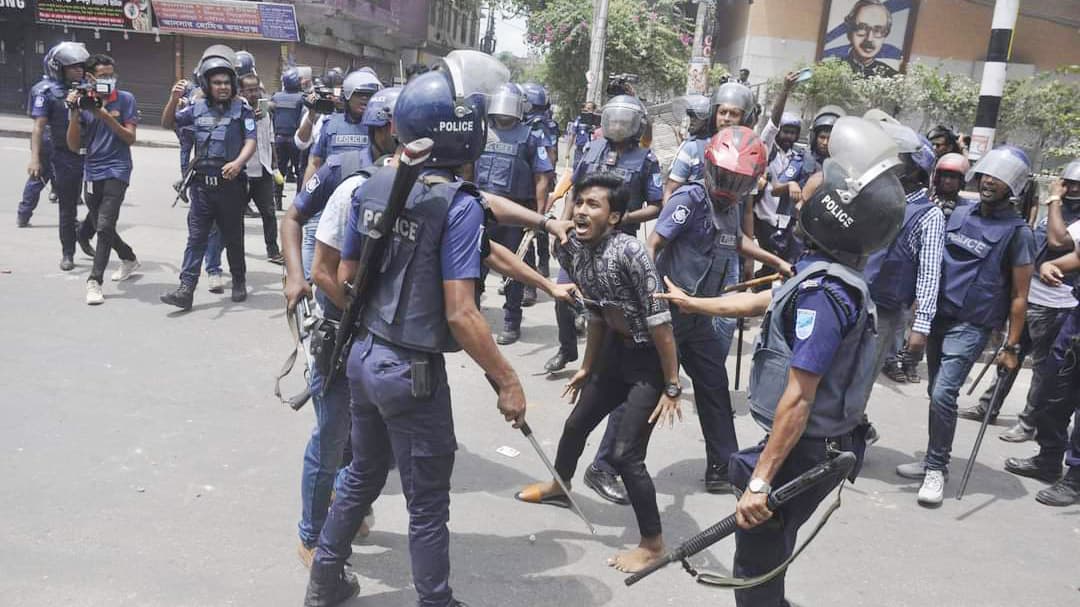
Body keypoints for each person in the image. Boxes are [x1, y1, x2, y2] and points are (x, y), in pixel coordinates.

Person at [302, 60, 529, 607]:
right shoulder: (459, 205)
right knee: (427, 502)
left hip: (363, 356)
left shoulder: (375, 183)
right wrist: (507, 379)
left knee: (361, 474)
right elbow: (462, 313)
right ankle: (435, 600)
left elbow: (347, 278)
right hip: (412, 374)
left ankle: (324, 583)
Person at [655, 116, 905, 606]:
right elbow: (771, 298)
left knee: (755, 576)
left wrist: (761, 482)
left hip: (803, 453)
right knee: (768, 570)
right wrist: (692, 303)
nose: (799, 192)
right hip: (812, 447)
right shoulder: (827, 272)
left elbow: (798, 396)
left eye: (812, 189)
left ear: (835, 211)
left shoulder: (826, 295)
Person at [516, 173, 682, 574]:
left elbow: (661, 324)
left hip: (648, 360)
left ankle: (653, 543)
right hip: (612, 353)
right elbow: (595, 312)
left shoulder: (631, 251)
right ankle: (561, 485)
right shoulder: (571, 249)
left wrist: (672, 386)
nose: (582, 212)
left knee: (626, 456)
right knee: (576, 425)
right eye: (580, 203)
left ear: (615, 216)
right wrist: (588, 367)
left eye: (594, 205)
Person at [650, 126, 792, 492]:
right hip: (668, 314)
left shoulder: (731, 208)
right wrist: (649, 295)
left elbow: (739, 241)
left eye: (738, 181)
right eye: (725, 177)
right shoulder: (690, 199)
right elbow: (653, 245)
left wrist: (775, 261)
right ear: (711, 168)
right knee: (649, 389)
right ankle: (608, 463)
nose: (729, 186)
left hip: (700, 316)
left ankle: (723, 467)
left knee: (714, 386)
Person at [896, 145, 1036, 506]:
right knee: (935, 394)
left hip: (972, 324)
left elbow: (1021, 295)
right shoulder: (956, 213)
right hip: (940, 316)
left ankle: (935, 469)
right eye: (987, 174)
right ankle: (931, 458)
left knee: (943, 393)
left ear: (1014, 186)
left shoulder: (1018, 233)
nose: (990, 181)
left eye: (1000, 178)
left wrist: (1012, 346)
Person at [568, 94, 664, 504]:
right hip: (586, 249)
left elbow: (656, 204)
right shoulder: (590, 149)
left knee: (630, 378)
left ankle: (605, 464)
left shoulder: (647, 160)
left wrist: (619, 220)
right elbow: (575, 193)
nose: (619, 126)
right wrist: (566, 223)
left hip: (621, 258)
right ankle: (566, 476)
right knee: (586, 326)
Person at [967, 160, 1080, 442]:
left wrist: (1053, 199)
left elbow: (1057, 242)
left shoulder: (1068, 216)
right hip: (1032, 294)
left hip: (1056, 303)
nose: (1072, 190)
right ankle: (989, 406)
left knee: (1042, 367)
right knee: (1011, 351)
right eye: (1069, 184)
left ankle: (1028, 422)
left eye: (1078, 186)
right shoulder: (1056, 210)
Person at [159, 45, 257, 310]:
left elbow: (251, 140)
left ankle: (238, 280)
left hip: (231, 186)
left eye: (227, 82)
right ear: (206, 83)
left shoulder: (242, 109)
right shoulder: (196, 107)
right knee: (196, 238)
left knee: (233, 237)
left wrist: (238, 163)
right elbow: (168, 124)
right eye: (217, 82)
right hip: (203, 186)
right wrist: (173, 98)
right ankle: (186, 289)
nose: (223, 86)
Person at [862, 123, 943, 424]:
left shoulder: (928, 214)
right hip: (853, 297)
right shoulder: (875, 196)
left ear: (914, 168)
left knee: (862, 379)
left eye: (898, 159)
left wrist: (921, 327)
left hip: (883, 311)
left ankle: (846, 441)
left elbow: (929, 273)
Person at [474, 84, 553, 344]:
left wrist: (539, 217)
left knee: (514, 270)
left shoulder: (531, 135)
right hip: (482, 210)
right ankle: (472, 314)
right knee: (474, 265)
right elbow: (466, 168)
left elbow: (542, 177)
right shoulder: (482, 131)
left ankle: (511, 321)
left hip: (515, 213)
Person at [1004, 244, 1080, 506]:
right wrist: (1054, 265)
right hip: (1076, 321)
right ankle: (1049, 459)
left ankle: (1076, 477)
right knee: (1051, 391)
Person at [64, 54, 141, 305]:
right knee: (102, 225)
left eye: (111, 74)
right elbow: (74, 146)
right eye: (103, 75)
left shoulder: (125, 99)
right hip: (92, 170)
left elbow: (130, 138)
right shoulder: (83, 101)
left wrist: (104, 114)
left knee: (105, 225)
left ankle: (94, 280)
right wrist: (76, 113)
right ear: (90, 77)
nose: (109, 79)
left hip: (118, 169)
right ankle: (128, 257)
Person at [34, 42, 90, 271]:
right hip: (64, 156)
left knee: (102, 205)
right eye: (72, 67)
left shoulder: (91, 88)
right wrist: (35, 158)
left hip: (93, 155)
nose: (78, 70)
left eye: (80, 66)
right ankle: (68, 253)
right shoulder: (46, 92)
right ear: (59, 68)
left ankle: (83, 234)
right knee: (68, 208)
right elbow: (38, 127)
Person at [302, 68, 381, 187]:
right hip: (331, 192)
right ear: (347, 96)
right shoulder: (330, 124)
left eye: (369, 95)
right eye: (359, 94)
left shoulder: (379, 128)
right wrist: (304, 198)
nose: (365, 98)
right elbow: (315, 163)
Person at [237, 71, 283, 264]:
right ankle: (234, 252)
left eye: (256, 89)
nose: (253, 93)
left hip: (263, 168)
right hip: (243, 171)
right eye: (249, 90)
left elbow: (270, 135)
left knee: (269, 212)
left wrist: (275, 163)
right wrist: (250, 121)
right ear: (241, 91)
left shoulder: (264, 108)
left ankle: (273, 251)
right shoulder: (237, 109)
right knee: (235, 215)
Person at [17, 56, 57, 228]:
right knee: (43, 177)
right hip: (53, 140)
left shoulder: (38, 88)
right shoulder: (55, 89)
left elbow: (33, 117)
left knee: (38, 178)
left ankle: (23, 214)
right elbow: (39, 124)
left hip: (45, 140)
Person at [661, 93, 713, 202]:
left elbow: (670, 190)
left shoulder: (691, 148)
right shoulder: (714, 142)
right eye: (690, 115)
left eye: (697, 116)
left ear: (707, 121)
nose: (692, 120)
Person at [271, 67, 305, 202]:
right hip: (295, 139)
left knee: (279, 170)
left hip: (278, 138)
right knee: (299, 170)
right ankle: (299, 199)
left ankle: (277, 199)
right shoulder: (302, 98)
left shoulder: (276, 97)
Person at [842, 0, 899, 78]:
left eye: (878, 30)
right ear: (850, 32)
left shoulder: (894, 78)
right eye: (862, 28)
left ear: (885, 35)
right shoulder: (829, 71)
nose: (869, 38)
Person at [930, 152, 970, 217]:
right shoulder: (927, 202)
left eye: (953, 177)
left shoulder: (966, 208)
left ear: (961, 181)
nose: (947, 181)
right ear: (938, 178)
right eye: (945, 176)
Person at [567, 101, 598, 166]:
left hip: (592, 151)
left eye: (589, 109)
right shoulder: (579, 119)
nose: (587, 110)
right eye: (586, 108)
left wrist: (593, 127)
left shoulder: (597, 121)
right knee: (577, 167)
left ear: (593, 110)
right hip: (579, 149)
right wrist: (568, 151)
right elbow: (572, 135)